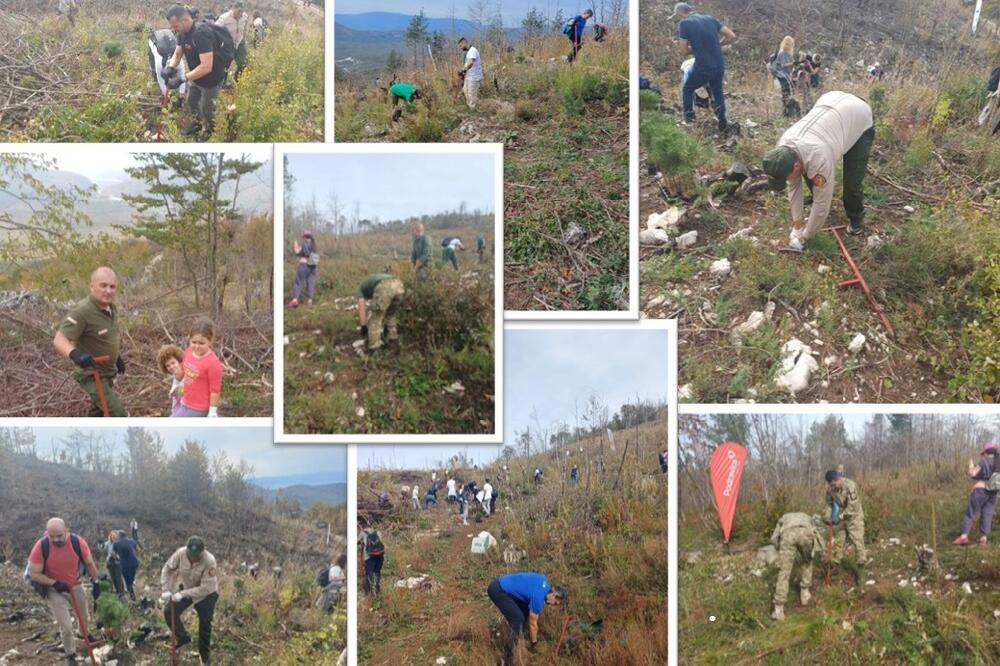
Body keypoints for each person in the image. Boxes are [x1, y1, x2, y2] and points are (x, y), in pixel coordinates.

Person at [762, 91, 875, 249]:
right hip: (831, 103)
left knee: (852, 181)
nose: (787, 181)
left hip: (859, 117)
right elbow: (794, 188)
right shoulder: (784, 148)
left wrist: (805, 237)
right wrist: (797, 226)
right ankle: (813, 206)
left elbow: (822, 205)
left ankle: (856, 217)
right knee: (812, 178)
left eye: (786, 178)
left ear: (795, 166)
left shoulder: (819, 159)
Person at [53, 267, 126, 417]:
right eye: (103, 285)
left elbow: (106, 337)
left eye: (112, 287)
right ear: (92, 286)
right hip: (92, 374)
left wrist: (116, 357)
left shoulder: (111, 308)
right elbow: (59, 340)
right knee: (117, 414)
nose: (108, 290)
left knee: (98, 412)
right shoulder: (82, 311)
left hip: (107, 372)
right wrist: (75, 354)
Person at [27, 518, 99, 666]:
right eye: (52, 536)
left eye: (59, 535)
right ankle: (70, 654)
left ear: (67, 530)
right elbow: (34, 574)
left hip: (75, 584)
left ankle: (83, 633)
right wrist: (55, 583)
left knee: (84, 616)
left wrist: (96, 582)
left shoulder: (77, 542)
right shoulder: (42, 546)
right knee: (66, 625)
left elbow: (89, 563)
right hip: (54, 588)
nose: (55, 539)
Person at [164, 5, 232, 139]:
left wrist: (182, 79)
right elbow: (178, 53)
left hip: (211, 80)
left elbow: (206, 67)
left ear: (185, 20)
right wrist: (170, 67)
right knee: (192, 102)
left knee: (207, 109)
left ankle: (210, 131)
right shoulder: (182, 33)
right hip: (196, 77)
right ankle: (197, 125)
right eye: (172, 27)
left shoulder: (201, 33)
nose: (173, 29)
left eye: (175, 26)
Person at [671, 2, 736, 133]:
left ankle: (689, 121)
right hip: (719, 65)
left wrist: (696, 49)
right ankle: (722, 122)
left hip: (702, 66)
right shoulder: (710, 18)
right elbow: (732, 36)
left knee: (688, 89)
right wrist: (717, 45)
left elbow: (683, 51)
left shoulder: (684, 24)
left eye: (677, 17)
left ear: (680, 14)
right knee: (717, 92)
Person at [160, 536, 219, 666]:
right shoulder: (180, 553)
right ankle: (183, 637)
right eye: (190, 555)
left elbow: (206, 588)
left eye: (196, 556)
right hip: (187, 588)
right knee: (169, 611)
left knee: (204, 625)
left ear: (202, 552)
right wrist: (165, 589)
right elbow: (167, 569)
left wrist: (182, 594)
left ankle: (204, 657)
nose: (193, 558)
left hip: (206, 595)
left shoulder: (209, 561)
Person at [487, 572, 567, 663]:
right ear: (553, 595)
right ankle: (506, 658)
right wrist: (534, 643)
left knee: (524, 613)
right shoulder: (539, 597)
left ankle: (515, 635)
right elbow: (533, 623)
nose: (553, 605)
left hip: (501, 584)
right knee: (518, 620)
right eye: (555, 603)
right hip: (498, 590)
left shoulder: (544, 581)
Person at [769, 512, 823, 621]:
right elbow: (816, 534)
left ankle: (779, 609)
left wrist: (782, 552)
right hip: (805, 533)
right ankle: (805, 594)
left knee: (784, 572)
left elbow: (774, 538)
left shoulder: (783, 518)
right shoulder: (807, 517)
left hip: (788, 535)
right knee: (807, 562)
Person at [953, 442, 1000, 546]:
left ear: (986, 452)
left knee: (970, 513)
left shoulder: (984, 461)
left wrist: (971, 467)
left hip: (980, 490)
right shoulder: (998, 462)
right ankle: (983, 538)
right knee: (987, 514)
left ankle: (964, 536)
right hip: (993, 493)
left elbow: (973, 474)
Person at [178, 318, 223, 417]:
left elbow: (215, 391)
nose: (197, 346)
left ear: (210, 341)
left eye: (201, 343)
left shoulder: (213, 363)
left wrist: (212, 412)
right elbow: (181, 373)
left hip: (199, 409)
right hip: (184, 401)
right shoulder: (188, 352)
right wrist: (176, 384)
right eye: (194, 342)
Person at [823, 469, 867, 566]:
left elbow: (852, 505)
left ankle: (861, 561)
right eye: (830, 485)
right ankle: (835, 561)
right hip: (842, 516)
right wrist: (827, 516)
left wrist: (840, 516)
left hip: (854, 515)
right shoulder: (831, 489)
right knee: (839, 538)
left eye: (833, 485)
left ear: (836, 479)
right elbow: (829, 504)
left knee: (857, 538)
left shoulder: (850, 486)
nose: (832, 487)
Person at [357, 272, 405, 352]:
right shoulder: (372, 281)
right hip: (399, 285)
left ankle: (374, 348)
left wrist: (363, 326)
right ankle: (393, 340)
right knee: (390, 315)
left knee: (375, 318)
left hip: (385, 286)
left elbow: (362, 307)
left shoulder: (361, 289)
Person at [216, 2, 249, 80]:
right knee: (225, 65)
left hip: (239, 42)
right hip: (228, 45)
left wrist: (244, 38)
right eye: (239, 11)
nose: (240, 14)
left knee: (243, 63)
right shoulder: (224, 18)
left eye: (242, 11)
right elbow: (215, 30)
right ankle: (222, 83)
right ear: (233, 8)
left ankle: (238, 81)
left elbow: (245, 26)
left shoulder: (244, 16)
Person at [288, 229, 319, 308]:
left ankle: (295, 300)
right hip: (313, 266)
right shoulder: (314, 244)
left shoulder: (304, 243)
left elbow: (298, 253)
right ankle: (310, 300)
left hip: (304, 265)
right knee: (311, 282)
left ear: (304, 236)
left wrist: (295, 246)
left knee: (298, 282)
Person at [158, 345, 186, 417]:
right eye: (168, 365)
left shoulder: (188, 373)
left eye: (173, 363)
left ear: (179, 361)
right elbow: (175, 398)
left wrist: (175, 391)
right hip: (181, 407)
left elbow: (188, 390)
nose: (171, 367)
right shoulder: (176, 377)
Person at [358, 520, 385, 595]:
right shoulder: (378, 532)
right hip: (380, 556)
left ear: (363, 526)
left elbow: (357, 542)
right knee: (377, 572)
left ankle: (368, 593)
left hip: (369, 557)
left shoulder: (363, 533)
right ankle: (377, 590)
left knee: (369, 574)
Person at [113, 530, 140, 601]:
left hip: (125, 565)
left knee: (128, 582)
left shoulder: (116, 544)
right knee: (130, 580)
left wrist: (117, 559)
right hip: (134, 563)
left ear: (119, 536)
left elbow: (114, 555)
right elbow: (136, 549)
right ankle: (132, 594)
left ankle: (133, 598)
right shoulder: (131, 541)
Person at [769, 36, 795, 108]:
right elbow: (783, 65)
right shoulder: (782, 52)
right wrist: (792, 64)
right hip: (781, 75)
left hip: (786, 75)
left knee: (789, 91)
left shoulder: (787, 53)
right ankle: (786, 108)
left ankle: (788, 107)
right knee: (785, 92)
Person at [458, 38, 483, 110]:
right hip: (469, 76)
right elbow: (467, 63)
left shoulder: (472, 50)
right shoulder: (468, 52)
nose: (460, 48)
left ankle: (473, 109)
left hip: (474, 76)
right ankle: (470, 106)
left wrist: (463, 70)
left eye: (461, 46)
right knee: (465, 90)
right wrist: (462, 71)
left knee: (471, 93)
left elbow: (471, 62)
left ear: (465, 43)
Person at [104, 531, 125, 597]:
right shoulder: (107, 543)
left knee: (118, 577)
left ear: (116, 537)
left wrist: (117, 556)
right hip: (110, 561)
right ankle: (117, 592)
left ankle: (121, 592)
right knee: (113, 578)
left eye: (114, 536)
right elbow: (104, 552)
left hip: (117, 561)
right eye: (112, 536)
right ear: (110, 536)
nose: (113, 537)